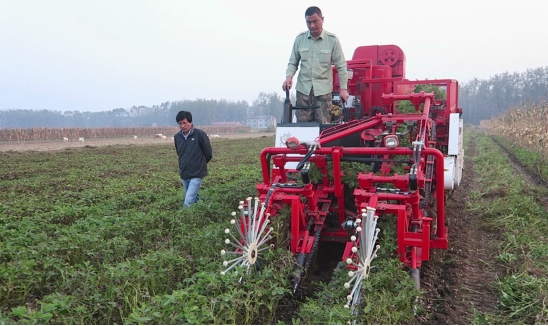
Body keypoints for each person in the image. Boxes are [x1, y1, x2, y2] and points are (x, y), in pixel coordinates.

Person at [282, 6, 349, 124]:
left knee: (323, 128)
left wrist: (343, 89)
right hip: (303, 92)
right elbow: (293, 62)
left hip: (323, 93)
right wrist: (289, 77)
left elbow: (341, 66)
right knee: (303, 128)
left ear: (322, 19)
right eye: (308, 22)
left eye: (315, 21)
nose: (312, 25)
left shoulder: (332, 40)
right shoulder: (299, 39)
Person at [174, 110, 213, 207]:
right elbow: (180, 154)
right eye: (180, 123)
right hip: (184, 172)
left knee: (188, 201)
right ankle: (203, 210)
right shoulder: (177, 137)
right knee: (193, 197)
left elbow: (208, 153)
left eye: (184, 123)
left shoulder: (200, 134)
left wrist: (200, 164)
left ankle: (185, 217)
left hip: (197, 172)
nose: (182, 126)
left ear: (190, 122)